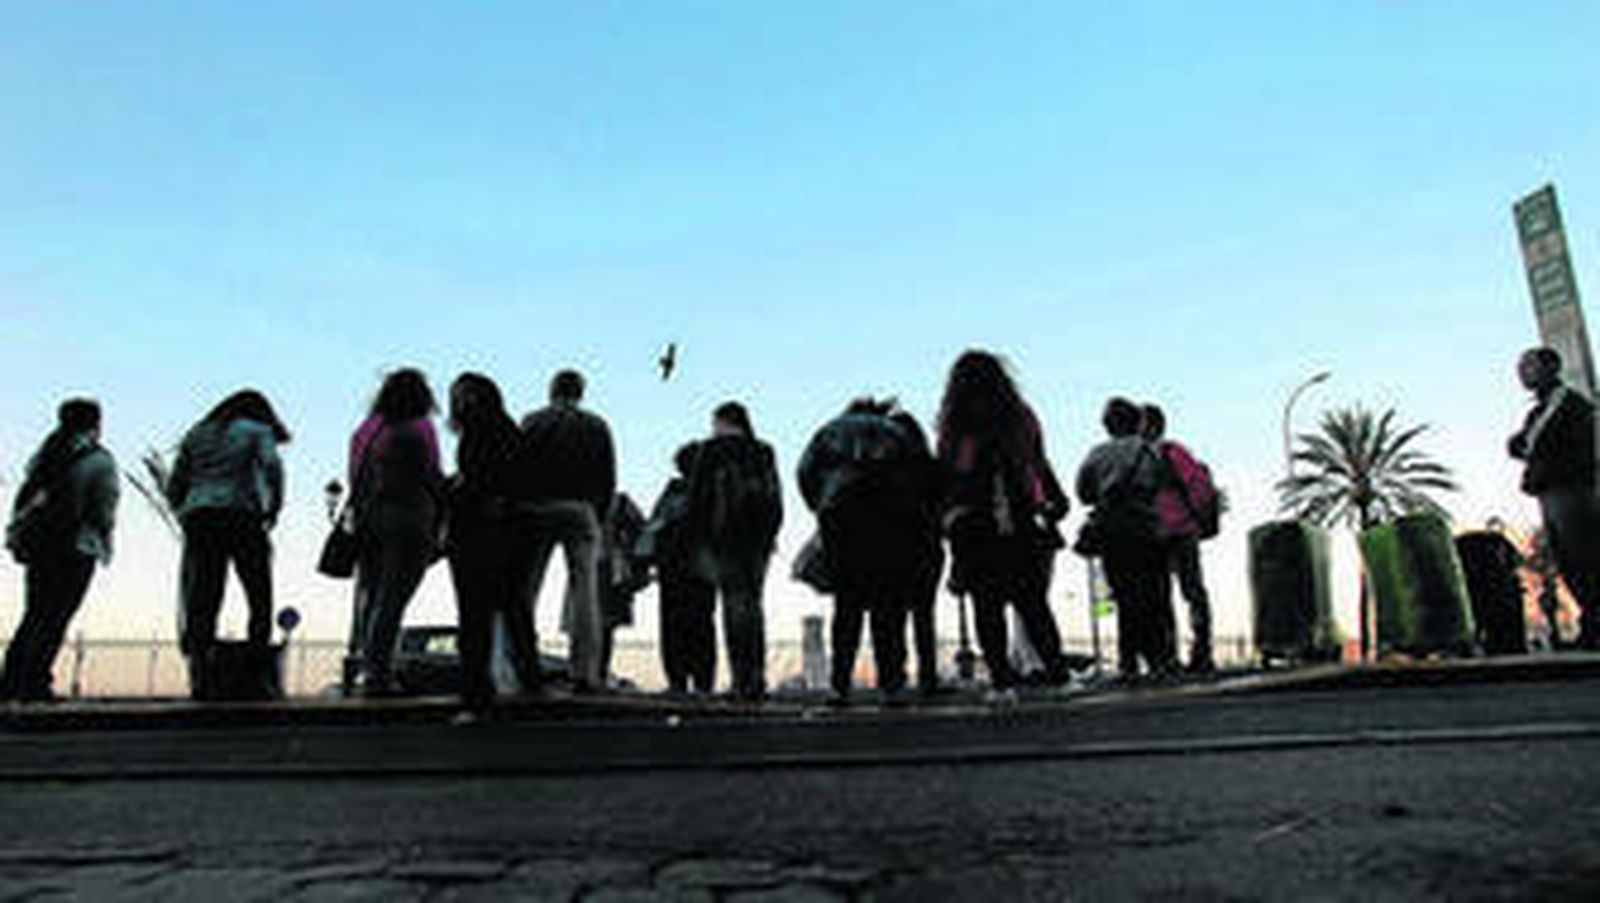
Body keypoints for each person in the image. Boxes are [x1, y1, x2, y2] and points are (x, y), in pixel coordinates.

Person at [936, 351, 1073, 693]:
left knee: (987, 605)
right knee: (1033, 603)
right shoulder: (1019, 416)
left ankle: (1001, 683)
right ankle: (1059, 676)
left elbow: (948, 473)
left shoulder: (955, 422)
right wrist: (1054, 499)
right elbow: (1037, 461)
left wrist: (945, 517)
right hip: (1019, 518)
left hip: (974, 522)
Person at [799, 398, 944, 702]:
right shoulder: (896, 433)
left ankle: (839, 684)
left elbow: (805, 471)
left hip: (841, 522)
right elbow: (922, 476)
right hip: (889, 522)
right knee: (887, 606)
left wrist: (822, 505)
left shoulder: (830, 430)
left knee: (847, 605)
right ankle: (891, 684)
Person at [165, 390, 289, 695]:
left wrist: (185, 509)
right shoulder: (257, 431)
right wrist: (274, 507)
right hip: (241, 514)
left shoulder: (197, 433)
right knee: (258, 592)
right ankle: (257, 670)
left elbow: (175, 483)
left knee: (204, 594)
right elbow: (273, 468)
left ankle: (201, 671)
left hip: (201, 518)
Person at [2, 399, 119, 703]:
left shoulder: (46, 455)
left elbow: (27, 500)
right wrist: (104, 538)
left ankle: (11, 682)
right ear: (96, 423)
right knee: (56, 617)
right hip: (77, 546)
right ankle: (36, 683)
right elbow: (103, 508)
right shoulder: (99, 460)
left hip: (41, 546)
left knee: (35, 614)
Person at [444, 372, 539, 713]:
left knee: (474, 613)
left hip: (475, 533)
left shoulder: (477, 431)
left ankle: (476, 688)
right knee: (514, 608)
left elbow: (479, 481)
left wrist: (456, 489)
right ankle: (530, 678)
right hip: (508, 532)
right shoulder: (507, 429)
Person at [349, 368, 445, 695]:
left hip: (369, 519)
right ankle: (379, 672)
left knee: (373, 595)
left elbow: (354, 477)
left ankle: (369, 665)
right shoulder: (419, 428)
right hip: (409, 517)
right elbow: (432, 476)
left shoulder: (366, 430)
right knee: (394, 597)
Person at [518, 369, 615, 691]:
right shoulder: (597, 425)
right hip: (580, 509)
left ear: (552, 390)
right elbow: (608, 477)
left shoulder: (532, 422)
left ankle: (521, 666)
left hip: (536, 509)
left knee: (527, 591)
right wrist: (598, 516)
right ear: (580, 393)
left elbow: (517, 467)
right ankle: (585, 673)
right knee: (585, 594)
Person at [686, 401, 782, 700]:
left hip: (724, 537)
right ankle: (757, 677)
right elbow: (776, 496)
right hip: (759, 539)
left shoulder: (711, 450)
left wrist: (698, 539)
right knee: (754, 604)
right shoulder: (764, 450)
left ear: (723, 421)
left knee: (733, 604)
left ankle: (741, 680)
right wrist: (771, 534)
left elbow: (697, 498)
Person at [1077, 397, 1176, 678]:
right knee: (1153, 596)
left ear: (1108, 425)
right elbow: (1162, 483)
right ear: (1137, 422)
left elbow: (1084, 492)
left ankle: (1128, 661)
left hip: (1114, 534)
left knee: (1125, 598)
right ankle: (1158, 659)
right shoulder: (1148, 451)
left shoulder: (1096, 454)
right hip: (1147, 530)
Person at [1508, 347, 1599, 649]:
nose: (1522, 373)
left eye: (1528, 366)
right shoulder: (1542, 407)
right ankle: (1592, 624)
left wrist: (1526, 443)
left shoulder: (1564, 402)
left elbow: (1530, 441)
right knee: (1569, 561)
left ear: (1550, 368)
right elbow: (1518, 444)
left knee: (1584, 557)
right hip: (1552, 491)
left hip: (1570, 489)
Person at [1141, 403, 1219, 673]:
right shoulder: (1168, 453)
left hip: (1169, 533)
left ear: (1153, 425)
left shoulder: (1169, 452)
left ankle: (1187, 653)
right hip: (1175, 532)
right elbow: (1200, 487)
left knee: (1178, 594)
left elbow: (1198, 486)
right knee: (1185, 593)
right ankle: (1188, 653)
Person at [641, 443, 716, 693]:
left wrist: (645, 559)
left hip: (671, 566)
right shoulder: (712, 491)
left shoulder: (672, 493)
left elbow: (653, 528)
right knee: (702, 623)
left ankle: (677, 680)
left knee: (672, 624)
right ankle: (703, 682)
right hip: (704, 566)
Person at [596, 492, 650, 683]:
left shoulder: (620, 502)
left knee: (604, 624)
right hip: (604, 564)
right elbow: (643, 529)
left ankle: (597, 673)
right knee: (602, 625)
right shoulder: (620, 502)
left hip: (610, 566)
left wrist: (627, 550)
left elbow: (643, 529)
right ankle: (596, 673)